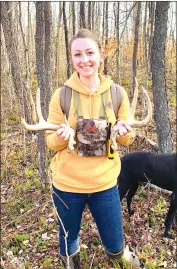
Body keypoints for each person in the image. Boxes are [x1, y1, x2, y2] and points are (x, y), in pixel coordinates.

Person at [45, 29, 139, 269]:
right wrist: (61, 136)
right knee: (68, 236)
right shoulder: (61, 96)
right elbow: (50, 142)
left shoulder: (117, 93)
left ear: (101, 55)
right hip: (67, 185)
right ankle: (71, 262)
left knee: (115, 242)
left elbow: (128, 140)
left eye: (89, 52)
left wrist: (124, 131)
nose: (84, 60)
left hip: (104, 185)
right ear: (71, 59)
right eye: (77, 54)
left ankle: (120, 261)